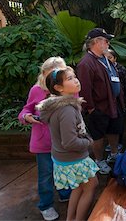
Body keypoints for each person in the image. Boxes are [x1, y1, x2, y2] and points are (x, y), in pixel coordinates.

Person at [38, 67, 98, 221]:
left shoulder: (62, 106)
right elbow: (70, 142)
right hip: (74, 158)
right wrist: (89, 142)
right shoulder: (66, 110)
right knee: (91, 186)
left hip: (66, 158)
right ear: (59, 88)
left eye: (74, 76)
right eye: (70, 78)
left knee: (78, 188)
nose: (76, 80)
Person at [18, 57, 71, 221]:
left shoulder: (70, 87)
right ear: (43, 74)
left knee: (65, 170)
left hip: (63, 140)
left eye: (58, 75)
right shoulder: (36, 90)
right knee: (46, 174)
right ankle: (46, 205)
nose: (53, 79)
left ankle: (64, 193)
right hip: (44, 142)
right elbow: (25, 110)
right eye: (50, 75)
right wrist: (27, 116)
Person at [76, 28, 124, 175]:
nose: (107, 42)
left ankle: (114, 154)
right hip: (98, 108)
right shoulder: (86, 63)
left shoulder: (104, 58)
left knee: (114, 130)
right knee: (98, 135)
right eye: (105, 40)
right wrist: (91, 109)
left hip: (113, 104)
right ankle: (99, 160)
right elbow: (85, 89)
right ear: (96, 42)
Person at [104, 49, 126, 151]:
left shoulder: (121, 69)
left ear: (115, 58)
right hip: (109, 102)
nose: (108, 60)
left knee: (119, 123)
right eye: (106, 58)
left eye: (110, 57)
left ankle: (119, 143)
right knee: (110, 123)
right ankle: (111, 144)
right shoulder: (104, 69)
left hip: (120, 101)